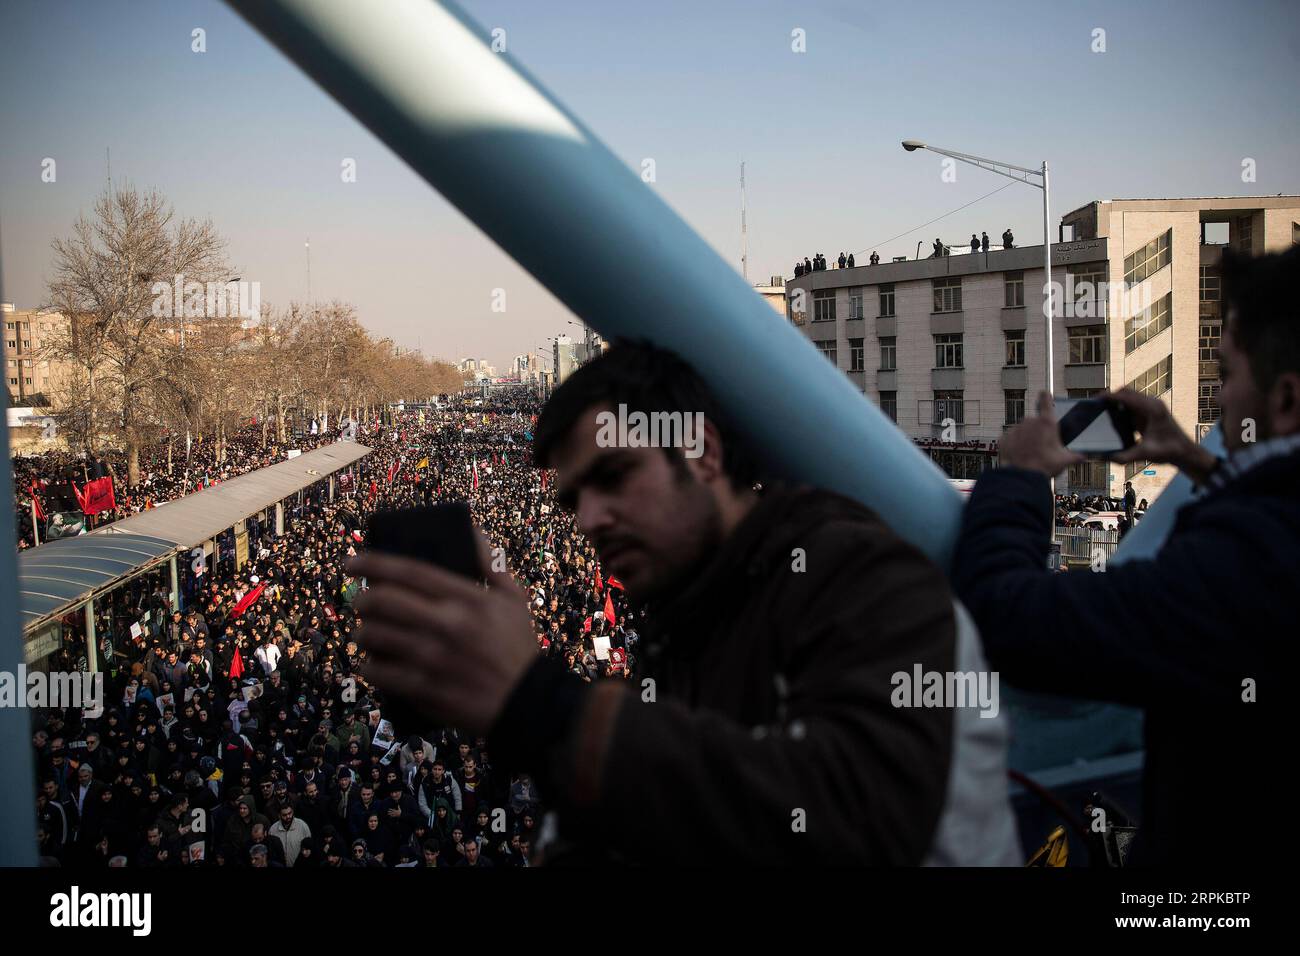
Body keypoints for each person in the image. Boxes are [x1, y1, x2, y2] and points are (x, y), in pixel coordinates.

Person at [349, 341, 1019, 866]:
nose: (591, 518)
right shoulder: (687, 627)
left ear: (700, 453)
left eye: (614, 476)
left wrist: (542, 707)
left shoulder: (865, 580)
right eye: (572, 499)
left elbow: (854, 816)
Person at [952, 244, 1298, 866]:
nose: (1222, 403)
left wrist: (1020, 476)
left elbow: (1010, 619)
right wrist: (1194, 460)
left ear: (1287, 399)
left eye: (1226, 376)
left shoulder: (1244, 572)